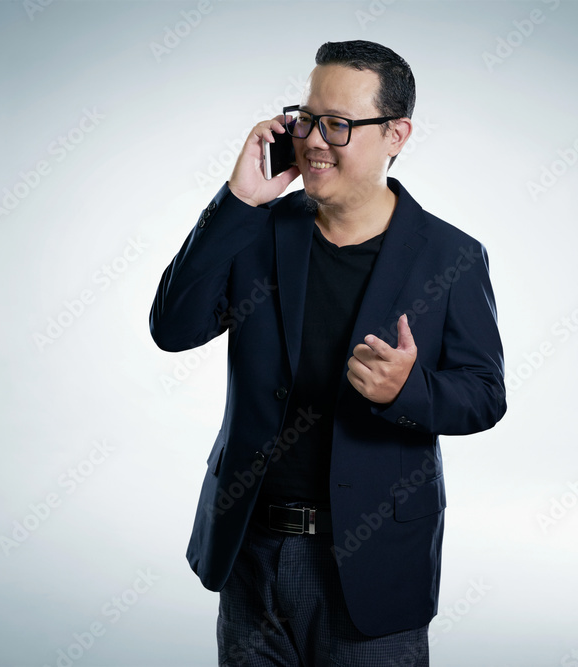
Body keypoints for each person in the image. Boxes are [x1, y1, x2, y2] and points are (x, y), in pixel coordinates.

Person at [150, 39, 506, 666]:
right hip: (251, 553)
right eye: (307, 118)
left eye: (339, 124)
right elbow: (173, 327)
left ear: (396, 134)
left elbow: (485, 394)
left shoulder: (450, 257)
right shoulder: (258, 233)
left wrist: (410, 390)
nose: (315, 139)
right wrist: (237, 203)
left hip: (371, 563)